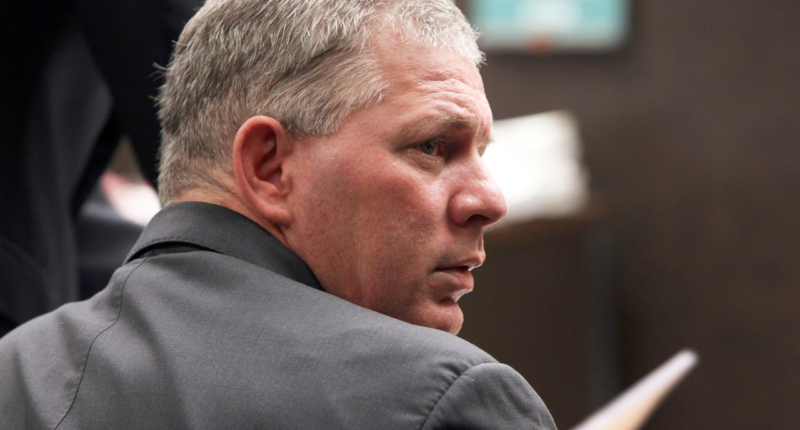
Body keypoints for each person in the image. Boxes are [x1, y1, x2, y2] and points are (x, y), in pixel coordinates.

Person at [0, 0, 558, 428]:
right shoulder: (451, 398)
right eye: (433, 147)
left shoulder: (14, 373)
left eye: (481, 153)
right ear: (268, 167)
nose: (490, 201)